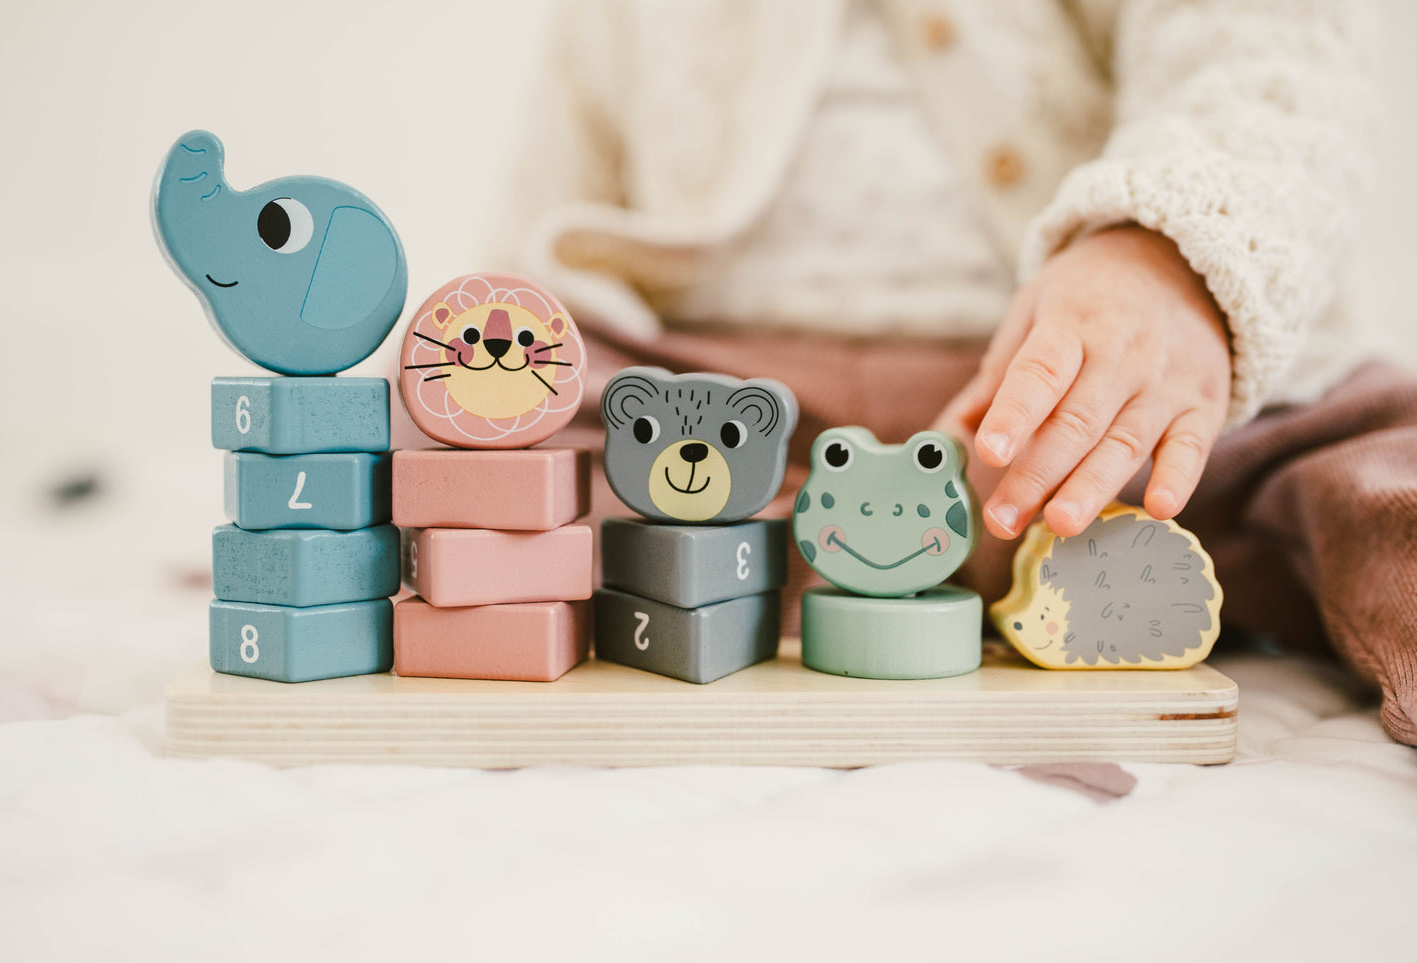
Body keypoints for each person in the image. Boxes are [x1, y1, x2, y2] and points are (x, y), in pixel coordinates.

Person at [483, 0, 1417, 744]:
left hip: (1118, 374)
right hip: (726, 397)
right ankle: (934, 566)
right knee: (498, 455)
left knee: (1378, 469)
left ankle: (911, 559)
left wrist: (1163, 254)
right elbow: (553, 190)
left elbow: (1271, 59)